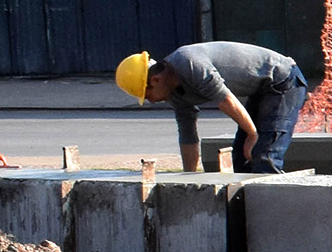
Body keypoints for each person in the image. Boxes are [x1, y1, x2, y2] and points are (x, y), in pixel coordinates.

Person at [118, 43, 308, 173]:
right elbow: (188, 135)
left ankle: (273, 221)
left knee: (266, 158)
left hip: (283, 80)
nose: (150, 101)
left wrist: (252, 135)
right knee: (241, 160)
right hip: (260, 90)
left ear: (156, 80)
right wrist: (189, 179)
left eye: (147, 94)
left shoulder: (189, 63)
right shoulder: (173, 93)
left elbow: (225, 100)